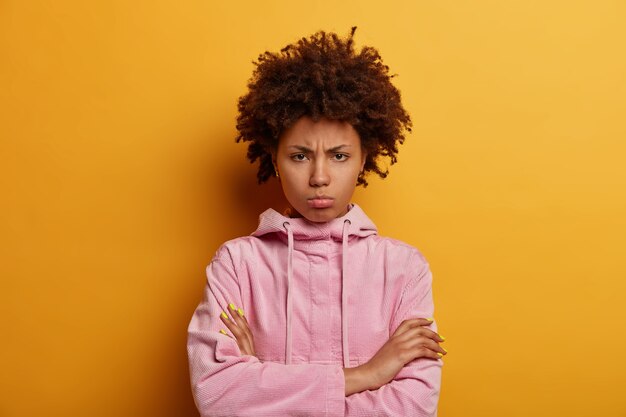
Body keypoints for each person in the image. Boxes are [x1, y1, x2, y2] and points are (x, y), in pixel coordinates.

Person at [187, 27, 446, 417]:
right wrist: (368, 374)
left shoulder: (404, 269)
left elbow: (412, 408)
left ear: (364, 159)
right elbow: (218, 397)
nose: (320, 177)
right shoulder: (237, 265)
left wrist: (264, 382)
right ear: (275, 160)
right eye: (300, 156)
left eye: (339, 156)